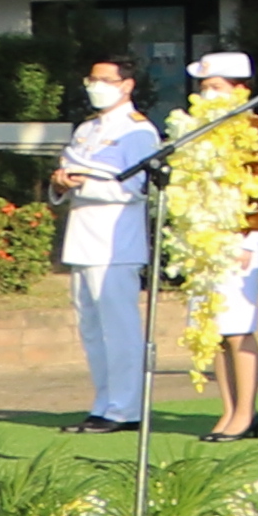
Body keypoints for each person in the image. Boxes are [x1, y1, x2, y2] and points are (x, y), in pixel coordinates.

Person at [157, 47, 258, 442]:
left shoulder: (254, 131)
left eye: (217, 87)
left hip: (239, 238)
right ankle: (228, 409)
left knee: (238, 327)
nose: (208, 95)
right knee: (214, 328)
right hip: (202, 240)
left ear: (240, 90)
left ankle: (247, 411)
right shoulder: (197, 129)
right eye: (203, 87)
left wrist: (248, 239)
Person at [51, 52, 161, 429]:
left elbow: (133, 188)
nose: (95, 88)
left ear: (126, 85)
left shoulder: (138, 131)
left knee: (120, 328)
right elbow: (66, 171)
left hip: (117, 241)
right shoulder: (86, 129)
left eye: (104, 81)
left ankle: (125, 408)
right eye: (91, 81)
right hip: (82, 238)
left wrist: (85, 182)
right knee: (92, 329)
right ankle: (103, 403)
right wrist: (61, 183)